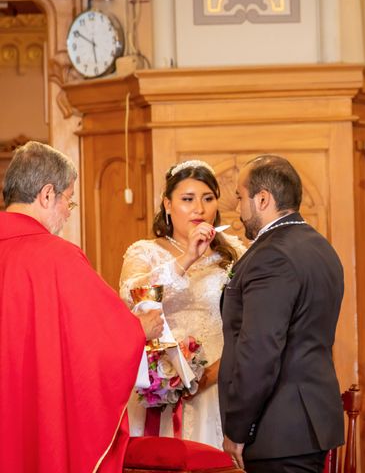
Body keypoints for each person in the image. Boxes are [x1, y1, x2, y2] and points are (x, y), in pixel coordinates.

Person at [0, 141, 163, 473]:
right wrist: (140, 328)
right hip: (31, 422)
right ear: (47, 195)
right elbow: (103, 345)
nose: (66, 213)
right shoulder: (58, 258)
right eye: (68, 201)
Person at [219, 155, 345, 472]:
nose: (238, 208)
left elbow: (259, 350)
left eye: (240, 197)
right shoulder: (320, 247)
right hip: (305, 425)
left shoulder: (270, 255)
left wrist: (237, 429)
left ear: (263, 199)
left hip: (277, 428)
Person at [119, 159, 245, 449]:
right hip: (162, 377)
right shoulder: (145, 251)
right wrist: (187, 256)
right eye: (187, 199)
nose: (199, 209)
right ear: (167, 204)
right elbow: (132, 294)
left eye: (208, 199)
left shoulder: (234, 251)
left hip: (216, 376)